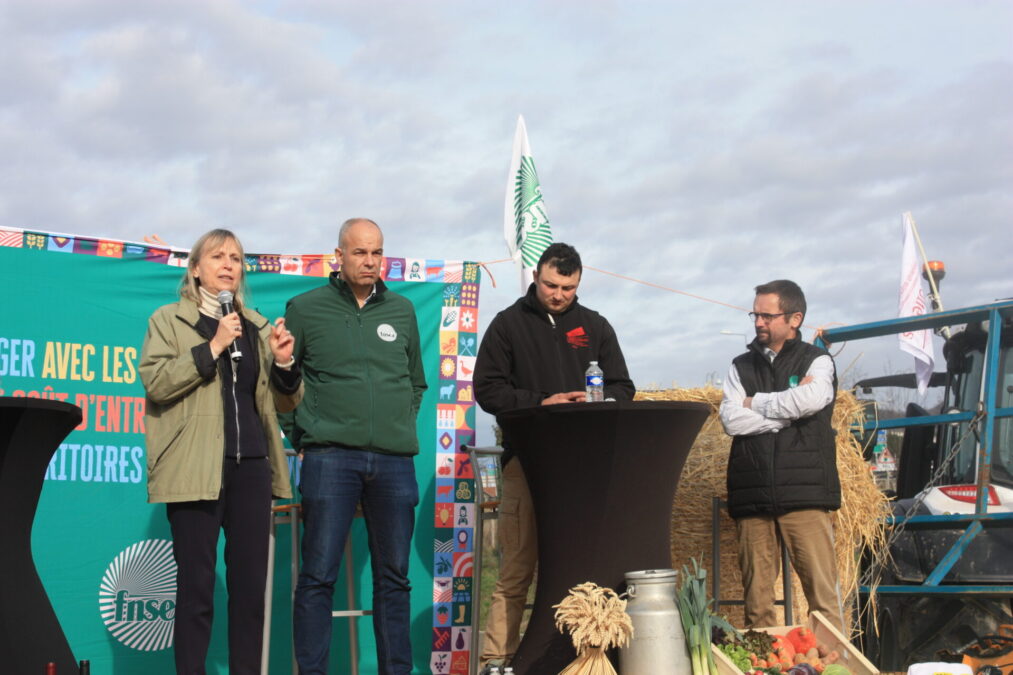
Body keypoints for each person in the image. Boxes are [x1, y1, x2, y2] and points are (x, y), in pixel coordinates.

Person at [140, 228, 303, 674]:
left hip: (251, 468)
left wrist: (285, 362)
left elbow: (285, 402)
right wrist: (212, 345)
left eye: (235, 257)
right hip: (194, 469)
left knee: (250, 591)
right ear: (195, 270)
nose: (228, 264)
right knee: (195, 591)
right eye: (217, 256)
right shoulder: (168, 321)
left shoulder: (255, 326)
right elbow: (156, 382)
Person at [473, 242, 635, 672]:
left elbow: (624, 387)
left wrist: (596, 400)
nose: (559, 294)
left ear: (578, 283)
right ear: (535, 277)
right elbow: (486, 390)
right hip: (526, 465)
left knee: (585, 568)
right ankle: (495, 659)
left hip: (585, 471)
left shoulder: (595, 326)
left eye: (568, 287)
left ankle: (586, 659)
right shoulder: (507, 324)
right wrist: (543, 402)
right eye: (551, 284)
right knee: (515, 571)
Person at [285, 218, 427, 675]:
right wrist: (303, 435)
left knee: (395, 580)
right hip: (330, 458)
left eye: (377, 253)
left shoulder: (402, 310)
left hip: (394, 462)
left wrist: (397, 425)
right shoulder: (305, 308)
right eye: (360, 253)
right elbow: (283, 384)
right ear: (339, 256)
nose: (370, 262)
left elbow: (416, 383)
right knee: (317, 577)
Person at [718, 279, 846, 633]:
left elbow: (812, 400)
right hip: (753, 497)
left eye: (767, 315)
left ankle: (835, 666)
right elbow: (730, 419)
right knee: (757, 608)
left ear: (794, 318)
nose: (758, 322)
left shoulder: (817, 361)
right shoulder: (740, 366)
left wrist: (755, 403)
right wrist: (785, 416)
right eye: (755, 314)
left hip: (805, 495)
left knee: (823, 602)